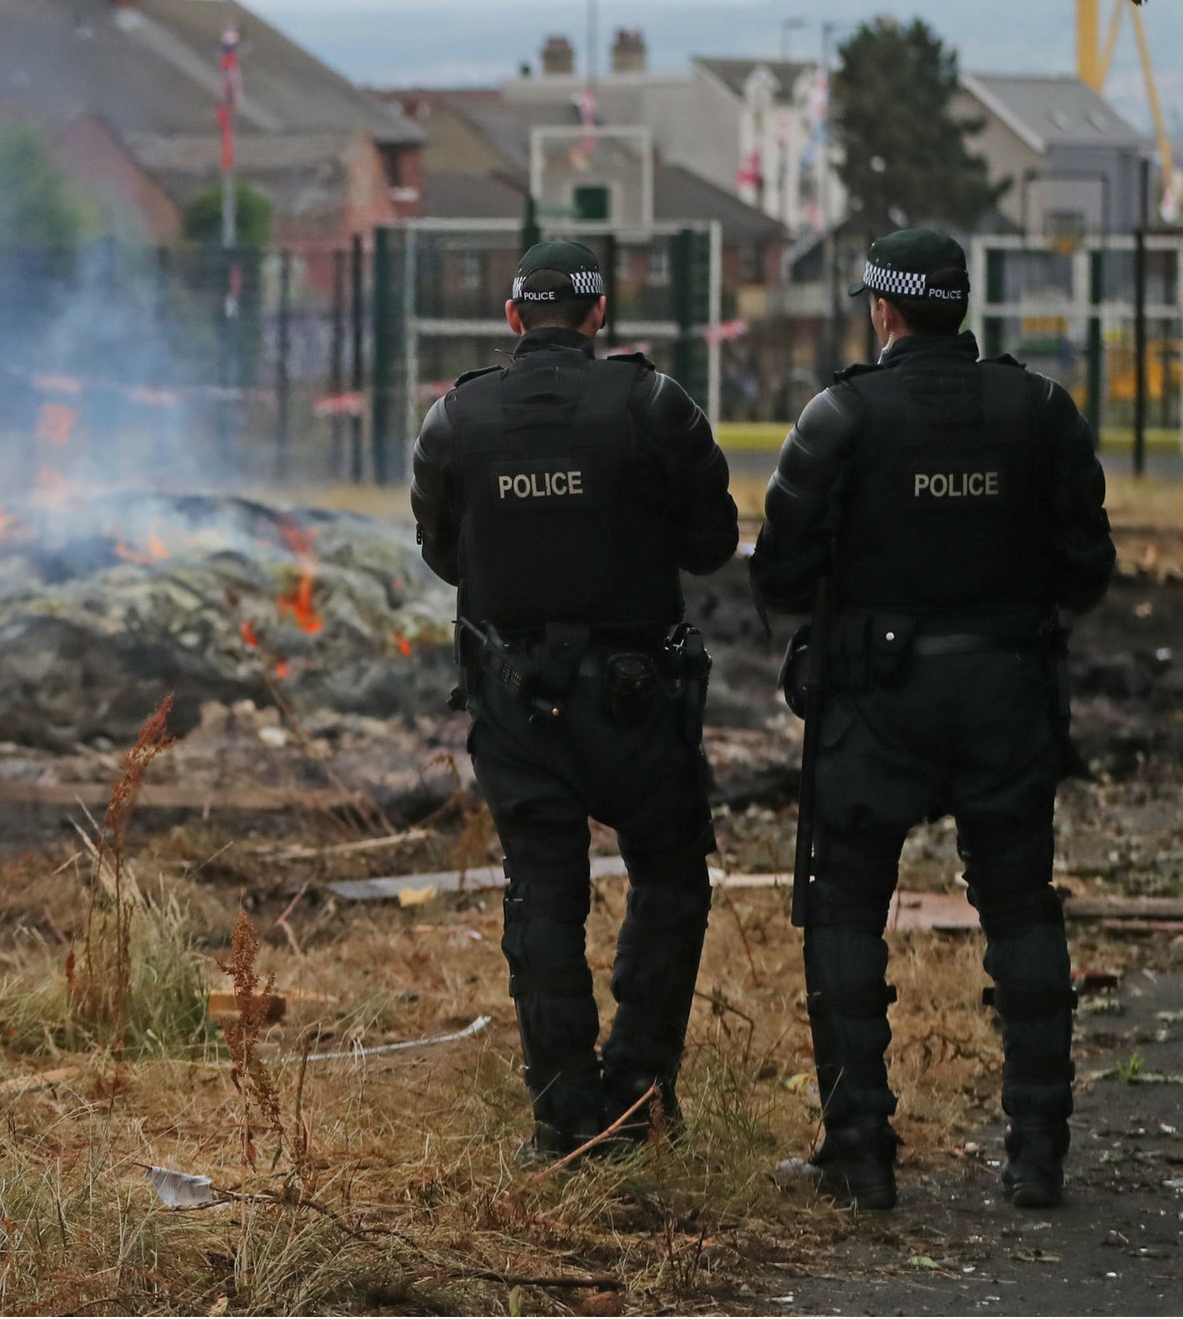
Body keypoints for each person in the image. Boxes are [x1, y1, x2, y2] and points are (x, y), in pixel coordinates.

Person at [751, 227, 1114, 1211]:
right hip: (1003, 693)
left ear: (882, 309)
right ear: (960, 302)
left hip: (874, 702)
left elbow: (777, 576)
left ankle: (858, 1151)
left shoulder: (840, 415)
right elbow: (1087, 567)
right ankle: (1036, 1153)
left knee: (842, 908)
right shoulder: (1038, 409)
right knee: (1018, 905)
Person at [411, 239, 740, 1156]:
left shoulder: (456, 419)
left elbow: (444, 554)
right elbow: (713, 541)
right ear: (599, 317)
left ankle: (563, 1114)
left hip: (518, 706)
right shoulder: (653, 404)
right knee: (670, 879)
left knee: (542, 896)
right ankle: (639, 1095)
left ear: (513, 318)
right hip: (642, 703)